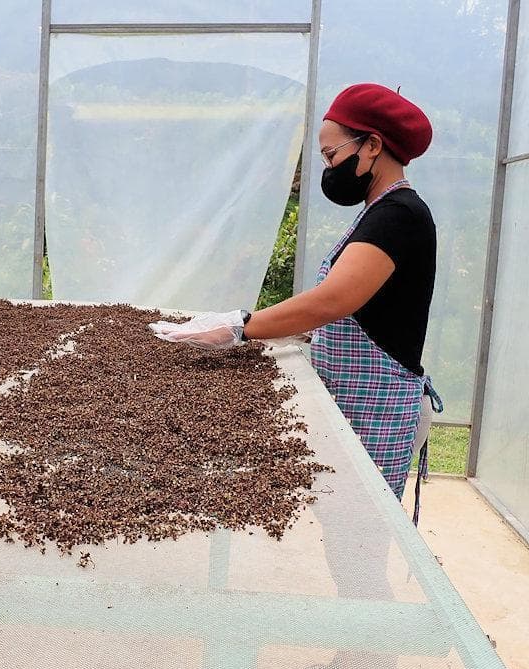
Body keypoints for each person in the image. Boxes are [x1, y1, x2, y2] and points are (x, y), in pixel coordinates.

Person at [150, 83, 443, 503]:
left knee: (359, 536)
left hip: (374, 408)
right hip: (353, 397)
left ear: (373, 145)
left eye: (331, 155)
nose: (328, 167)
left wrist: (239, 327)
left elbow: (331, 301)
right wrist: (290, 332)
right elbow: (365, 311)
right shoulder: (380, 213)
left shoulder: (399, 216)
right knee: (341, 527)